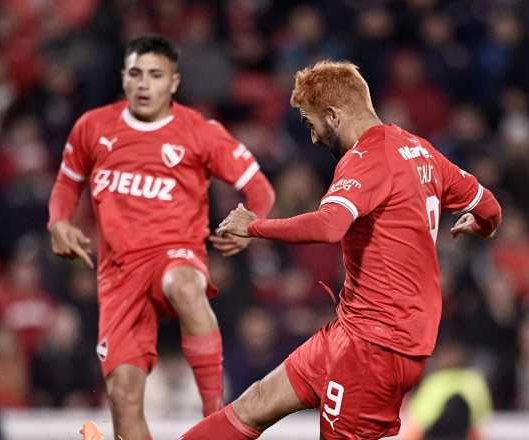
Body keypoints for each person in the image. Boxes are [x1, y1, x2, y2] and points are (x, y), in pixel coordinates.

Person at [179, 60, 502, 439]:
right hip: (354, 329)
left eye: (311, 122)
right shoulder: (420, 149)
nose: (313, 137)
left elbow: (330, 225)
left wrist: (253, 226)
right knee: (256, 404)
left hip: (377, 346)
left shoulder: (365, 161)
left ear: (332, 115)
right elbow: (489, 207)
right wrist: (481, 226)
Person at [47, 35, 275, 440]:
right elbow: (67, 185)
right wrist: (58, 221)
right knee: (123, 396)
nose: (143, 84)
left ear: (174, 82)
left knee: (185, 286)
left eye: (155, 75)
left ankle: (214, 420)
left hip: (175, 252)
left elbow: (260, 189)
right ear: (123, 77)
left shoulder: (199, 132)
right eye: (135, 74)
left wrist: (249, 223)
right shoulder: (93, 128)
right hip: (117, 275)